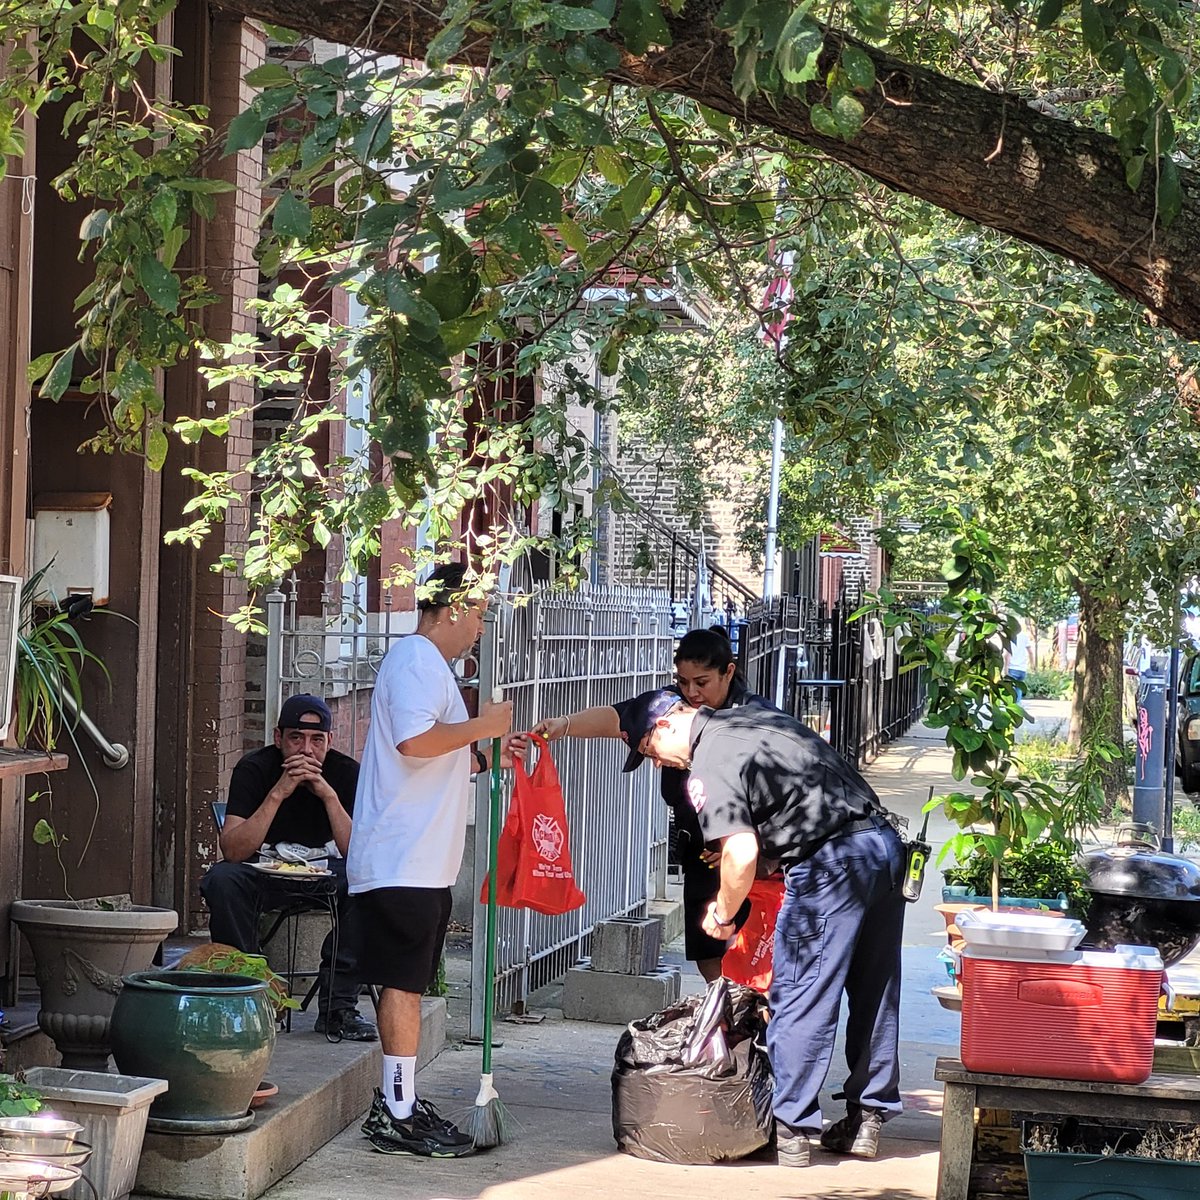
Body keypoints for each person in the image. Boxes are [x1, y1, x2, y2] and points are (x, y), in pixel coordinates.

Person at [620, 689, 906, 1168]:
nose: (656, 764)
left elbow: (740, 853)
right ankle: (867, 1118)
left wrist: (724, 912)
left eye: (649, 750)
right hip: (883, 848)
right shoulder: (753, 722)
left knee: (801, 991)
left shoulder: (707, 759)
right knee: (875, 989)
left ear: (669, 724)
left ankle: (791, 1127)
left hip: (830, 863)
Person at [350, 563, 516, 1158]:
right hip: (402, 860)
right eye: (477, 613)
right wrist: (483, 724)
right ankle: (395, 1110)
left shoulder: (427, 667)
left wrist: (488, 752)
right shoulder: (416, 660)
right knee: (403, 986)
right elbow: (414, 743)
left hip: (420, 861)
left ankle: (401, 1102)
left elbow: (438, 755)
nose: (478, 628)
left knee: (410, 985)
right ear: (451, 608)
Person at [531, 627, 766, 982]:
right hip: (700, 847)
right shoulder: (670, 706)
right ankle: (726, 1026)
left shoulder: (752, 716)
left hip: (748, 849)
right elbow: (618, 718)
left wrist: (751, 842)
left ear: (728, 672)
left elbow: (774, 790)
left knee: (749, 954)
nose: (692, 692)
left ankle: (753, 1025)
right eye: (683, 681)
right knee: (707, 953)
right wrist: (563, 725)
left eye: (701, 682)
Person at [200, 693, 377, 1041]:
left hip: (325, 870)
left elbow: (358, 855)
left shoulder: (345, 773)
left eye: (317, 741)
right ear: (278, 738)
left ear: (330, 741)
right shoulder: (255, 769)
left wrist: (327, 795)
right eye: (296, 738)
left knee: (368, 884)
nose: (306, 751)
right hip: (265, 868)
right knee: (222, 880)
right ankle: (251, 992)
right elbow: (233, 850)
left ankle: (338, 1006)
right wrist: (278, 793)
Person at [1005, 617, 1032, 700]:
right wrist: (1032, 665)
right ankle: (1018, 707)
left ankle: (1012, 709)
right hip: (1022, 669)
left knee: (1011, 692)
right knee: (1018, 689)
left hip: (1012, 668)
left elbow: (1007, 655)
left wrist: (1005, 669)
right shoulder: (1025, 637)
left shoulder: (1010, 637)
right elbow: (1030, 652)